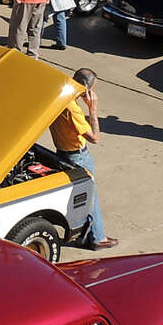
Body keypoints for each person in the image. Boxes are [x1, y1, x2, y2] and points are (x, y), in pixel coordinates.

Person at [49, 67, 118, 250]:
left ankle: (81, 231)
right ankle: (98, 237)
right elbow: (95, 137)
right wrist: (92, 109)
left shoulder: (60, 94)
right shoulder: (73, 109)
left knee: (77, 196)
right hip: (77, 156)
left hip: (61, 151)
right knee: (90, 196)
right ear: (86, 89)